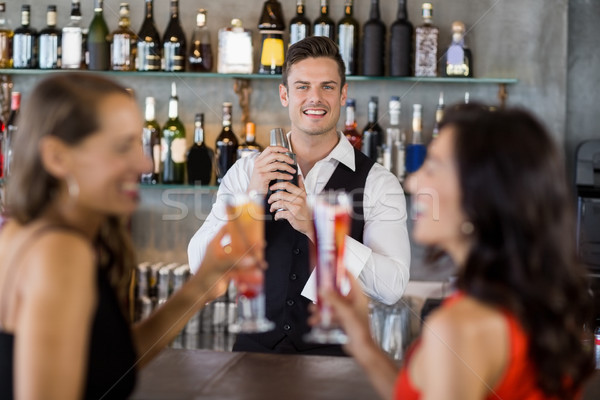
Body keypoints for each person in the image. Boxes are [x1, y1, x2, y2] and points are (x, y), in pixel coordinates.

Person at [0, 74, 264, 400]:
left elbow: (112, 361)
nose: (145, 163)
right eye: (121, 147)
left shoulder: (23, 231)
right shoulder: (60, 253)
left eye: (138, 143)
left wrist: (200, 286)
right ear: (57, 157)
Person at [316, 104, 595, 399]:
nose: (413, 181)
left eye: (433, 167)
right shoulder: (520, 298)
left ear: (482, 195)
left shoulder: (459, 329)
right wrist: (364, 345)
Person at [188, 36, 410, 355]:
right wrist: (250, 199)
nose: (315, 98)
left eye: (327, 87)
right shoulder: (245, 172)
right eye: (303, 86)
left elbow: (392, 287)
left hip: (337, 366)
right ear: (284, 94)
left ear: (344, 93)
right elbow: (199, 267)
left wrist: (317, 227)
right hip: (252, 359)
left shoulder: (378, 182)